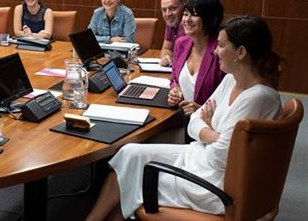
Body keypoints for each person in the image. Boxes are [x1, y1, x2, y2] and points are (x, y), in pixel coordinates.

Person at [85, 15, 282, 221]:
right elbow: (195, 119)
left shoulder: (259, 98)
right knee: (129, 154)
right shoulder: (231, 80)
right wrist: (213, 135)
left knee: (136, 178)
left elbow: (220, 157)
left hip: (216, 184)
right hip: (199, 157)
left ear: (240, 52)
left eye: (222, 45)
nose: (215, 51)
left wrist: (208, 135)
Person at [168, 0, 225, 117]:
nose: (187, 19)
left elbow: (229, 99)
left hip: (210, 125)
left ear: (212, 19)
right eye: (185, 14)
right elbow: (174, 77)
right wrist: (175, 90)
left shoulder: (221, 51)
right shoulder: (181, 43)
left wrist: (200, 110)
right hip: (181, 118)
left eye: (194, 15)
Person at [159, 0, 185, 66]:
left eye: (173, 8)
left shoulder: (188, 24)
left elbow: (184, 56)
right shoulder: (171, 22)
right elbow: (167, 48)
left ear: (183, 7)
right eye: (164, 10)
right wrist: (166, 57)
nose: (167, 14)